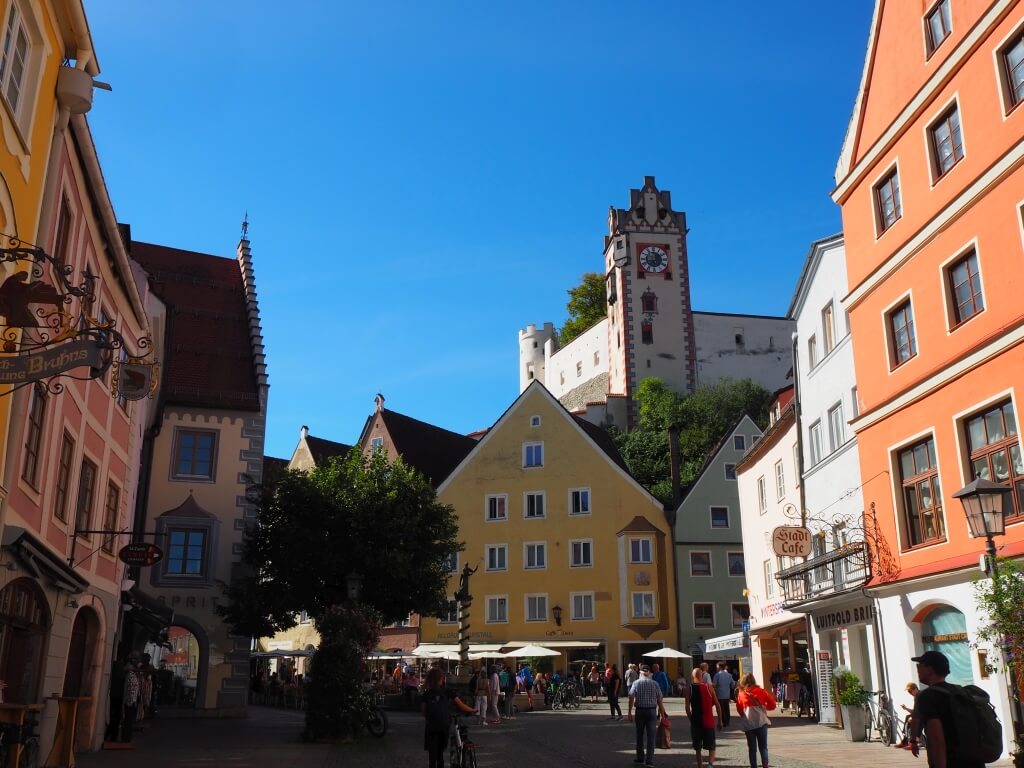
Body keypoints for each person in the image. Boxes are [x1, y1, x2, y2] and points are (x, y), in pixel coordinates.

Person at [910, 649, 982, 768]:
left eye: (920, 666)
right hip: (974, 759)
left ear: (929, 669)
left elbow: (938, 741)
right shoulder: (959, 690)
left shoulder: (927, 697)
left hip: (951, 761)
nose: (918, 670)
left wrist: (914, 740)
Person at [421, 667, 475, 768]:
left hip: (431, 727)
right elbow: (461, 705)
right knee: (440, 754)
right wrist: (472, 710)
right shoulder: (447, 691)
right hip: (444, 725)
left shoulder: (426, 694)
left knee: (432, 757)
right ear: (441, 679)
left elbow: (423, 712)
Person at [627, 664, 668, 767]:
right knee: (651, 736)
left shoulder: (636, 683)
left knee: (639, 735)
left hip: (640, 711)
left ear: (640, 673)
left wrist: (629, 712)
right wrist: (662, 715)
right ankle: (649, 760)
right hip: (651, 712)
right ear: (649, 673)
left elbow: (631, 697)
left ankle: (640, 758)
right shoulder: (655, 684)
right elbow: (660, 701)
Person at [736, 673, 776, 768]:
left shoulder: (741, 694)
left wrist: (745, 715)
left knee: (752, 748)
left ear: (743, 682)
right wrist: (764, 707)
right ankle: (765, 765)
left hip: (749, 724)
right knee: (763, 747)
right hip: (761, 723)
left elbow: (739, 710)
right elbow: (773, 705)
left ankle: (753, 766)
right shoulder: (761, 691)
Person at [686, 667, 723, 768]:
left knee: (698, 747)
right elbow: (718, 705)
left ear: (692, 676)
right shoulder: (709, 687)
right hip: (709, 722)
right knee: (712, 746)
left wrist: (691, 720)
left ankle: (700, 765)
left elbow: (687, 709)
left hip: (696, 723)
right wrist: (720, 720)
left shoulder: (689, 689)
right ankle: (710, 764)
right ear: (702, 676)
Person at [894, 682, 919, 749]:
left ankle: (910, 742)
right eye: (909, 692)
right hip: (920, 714)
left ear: (915, 689)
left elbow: (920, 710)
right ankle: (905, 740)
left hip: (924, 715)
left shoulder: (919, 696)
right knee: (907, 717)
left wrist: (913, 717)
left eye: (910, 691)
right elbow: (915, 710)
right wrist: (906, 708)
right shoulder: (916, 696)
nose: (910, 693)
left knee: (910, 719)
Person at [712, 662, 736, 727]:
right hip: (727, 694)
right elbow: (733, 685)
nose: (716, 668)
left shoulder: (717, 675)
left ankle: (723, 722)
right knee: (726, 708)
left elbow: (714, 685)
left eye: (717, 667)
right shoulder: (729, 675)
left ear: (720, 667)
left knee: (720, 709)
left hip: (719, 694)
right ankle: (727, 722)